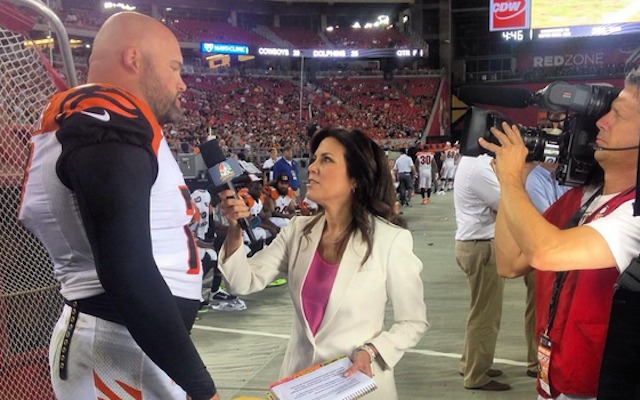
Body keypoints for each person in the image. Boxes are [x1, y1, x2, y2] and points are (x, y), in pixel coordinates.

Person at [17, 12, 218, 400]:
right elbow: (126, 270)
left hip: (129, 346)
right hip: (114, 347)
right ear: (133, 59)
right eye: (175, 67)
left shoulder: (112, 121)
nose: (183, 82)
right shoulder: (105, 113)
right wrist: (201, 387)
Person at [217, 127, 428, 399]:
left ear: (355, 179)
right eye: (314, 159)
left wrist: (371, 350)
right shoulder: (298, 230)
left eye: (326, 160)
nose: (312, 168)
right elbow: (242, 281)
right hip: (300, 384)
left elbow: (413, 322)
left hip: (359, 385)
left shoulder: (390, 241)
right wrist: (235, 229)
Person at [479, 68, 640, 399]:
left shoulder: (633, 213)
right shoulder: (584, 196)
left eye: (618, 115)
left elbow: (545, 252)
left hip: (602, 387)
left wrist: (510, 182)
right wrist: (517, 180)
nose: (601, 123)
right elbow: (510, 263)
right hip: (555, 379)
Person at [453, 154, 510, 391]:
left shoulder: (469, 162)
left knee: (479, 310)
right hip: (481, 245)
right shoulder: (479, 168)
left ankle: (471, 363)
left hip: (472, 242)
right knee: (486, 314)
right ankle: (477, 374)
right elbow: (507, 203)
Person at [522, 162, 570, 378]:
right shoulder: (535, 178)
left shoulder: (566, 175)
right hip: (544, 253)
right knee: (539, 309)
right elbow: (549, 218)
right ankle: (536, 361)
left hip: (565, 252)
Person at [191, 187, 247, 312]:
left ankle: (215, 291)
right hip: (185, 249)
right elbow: (189, 236)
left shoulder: (208, 211)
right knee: (210, 255)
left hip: (199, 244)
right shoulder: (191, 212)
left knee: (218, 254)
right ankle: (194, 292)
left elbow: (209, 233)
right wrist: (207, 244)